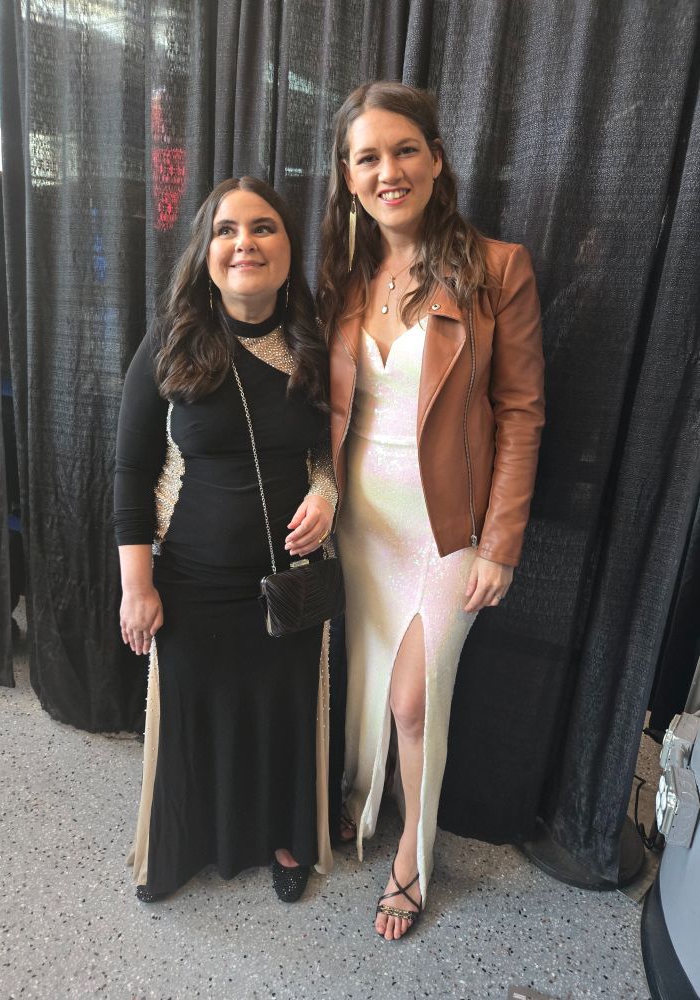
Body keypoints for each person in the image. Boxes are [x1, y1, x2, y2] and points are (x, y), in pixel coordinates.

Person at [318, 82, 545, 940]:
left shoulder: (497, 268)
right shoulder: (345, 276)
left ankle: (415, 849)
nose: (389, 171)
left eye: (404, 149)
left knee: (414, 697)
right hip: (360, 524)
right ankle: (361, 797)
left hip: (452, 532)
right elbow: (329, 410)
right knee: (366, 679)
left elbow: (522, 412)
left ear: (437, 159)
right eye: (368, 157)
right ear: (347, 176)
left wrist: (502, 545)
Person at [114, 176, 336, 903]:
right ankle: (184, 846)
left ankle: (284, 837)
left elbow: (337, 454)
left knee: (281, 716)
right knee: (191, 720)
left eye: (264, 228)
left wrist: (329, 495)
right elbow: (131, 469)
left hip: (289, 583)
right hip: (192, 583)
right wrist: (136, 586)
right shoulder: (171, 343)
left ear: (288, 246)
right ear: (206, 251)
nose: (246, 243)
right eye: (228, 230)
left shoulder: (311, 346)